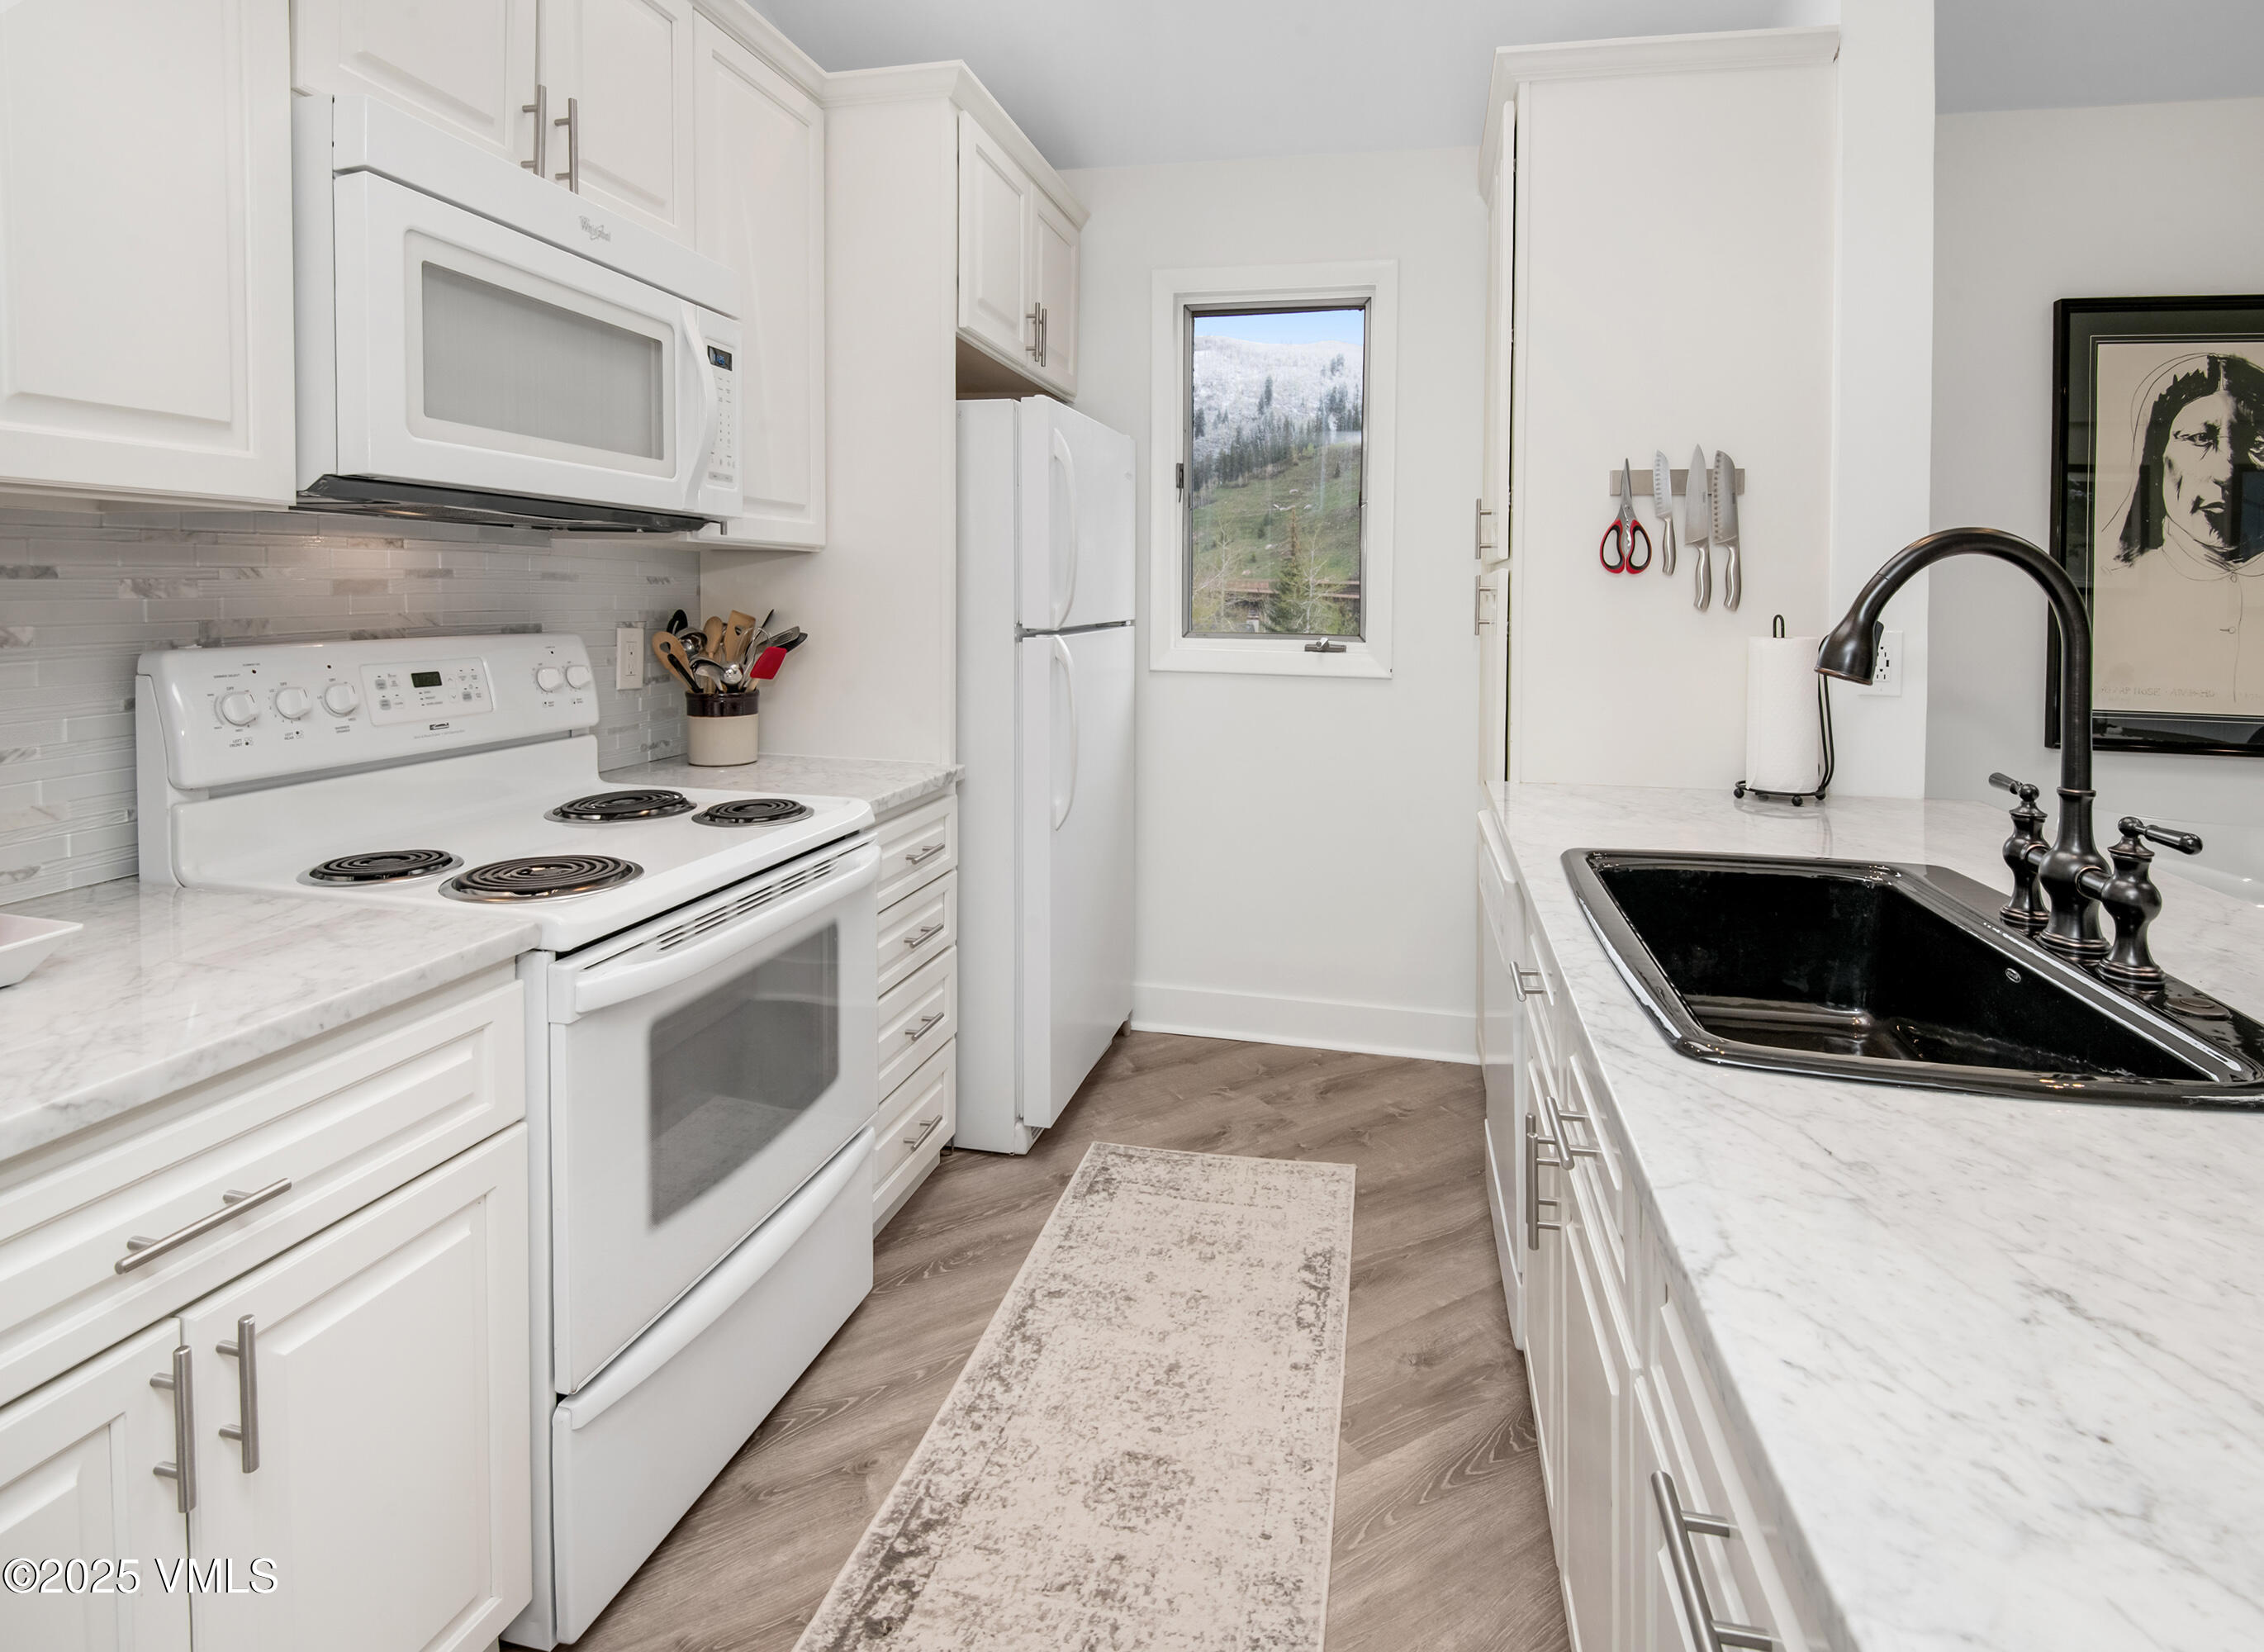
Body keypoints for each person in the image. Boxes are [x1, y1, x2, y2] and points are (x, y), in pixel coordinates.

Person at [2097, 351, 2264, 715]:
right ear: (2156, 454)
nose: (2228, 471)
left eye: (2258, 445)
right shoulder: (2111, 590)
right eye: (2200, 439)